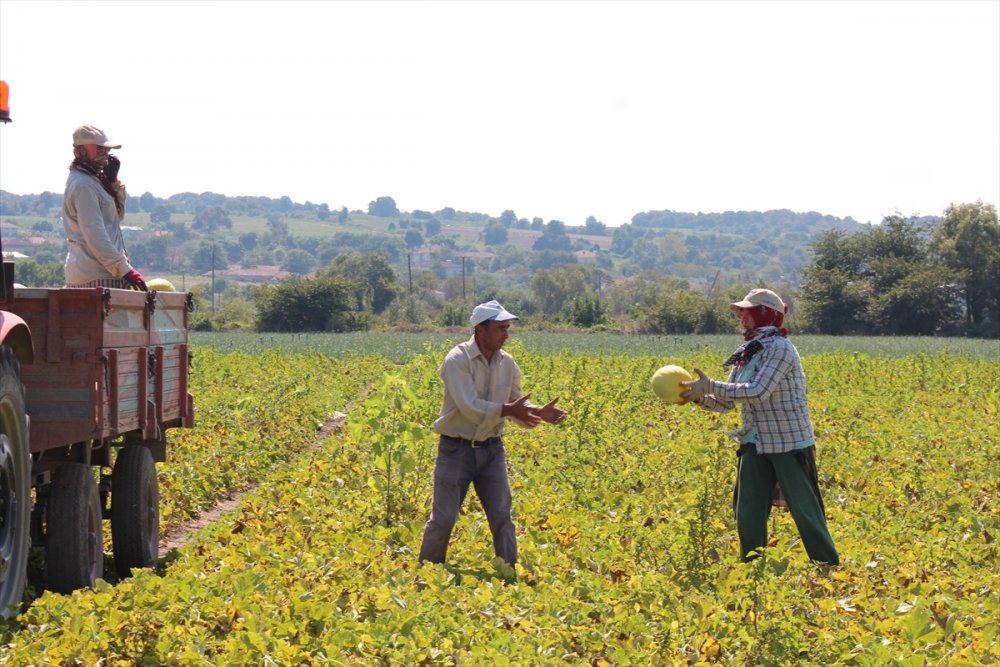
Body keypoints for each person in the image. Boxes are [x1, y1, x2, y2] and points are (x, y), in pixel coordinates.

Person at [681, 288, 839, 565]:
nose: (741, 318)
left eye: (747, 312)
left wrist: (712, 385)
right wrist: (698, 398)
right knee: (748, 510)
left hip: (787, 442)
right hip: (754, 440)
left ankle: (828, 565)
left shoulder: (780, 349)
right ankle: (752, 567)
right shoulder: (747, 351)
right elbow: (728, 402)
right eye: (741, 312)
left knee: (805, 510)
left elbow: (757, 391)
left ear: (764, 314)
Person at [418, 299, 567, 567]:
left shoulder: (507, 363)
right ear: (480, 330)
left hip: (491, 450)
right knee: (443, 518)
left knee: (502, 516)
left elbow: (515, 402)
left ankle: (508, 574)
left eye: (507, 328)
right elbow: (469, 406)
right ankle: (427, 572)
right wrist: (511, 410)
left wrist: (537, 412)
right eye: (500, 328)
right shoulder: (457, 359)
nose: (506, 334)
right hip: (455, 449)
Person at [62, 125, 146, 290]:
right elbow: (95, 234)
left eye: (106, 150)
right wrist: (125, 270)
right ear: (79, 152)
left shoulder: (94, 181)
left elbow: (116, 217)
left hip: (103, 273)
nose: (105, 156)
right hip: (95, 276)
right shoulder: (84, 185)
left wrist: (112, 182)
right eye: (99, 150)